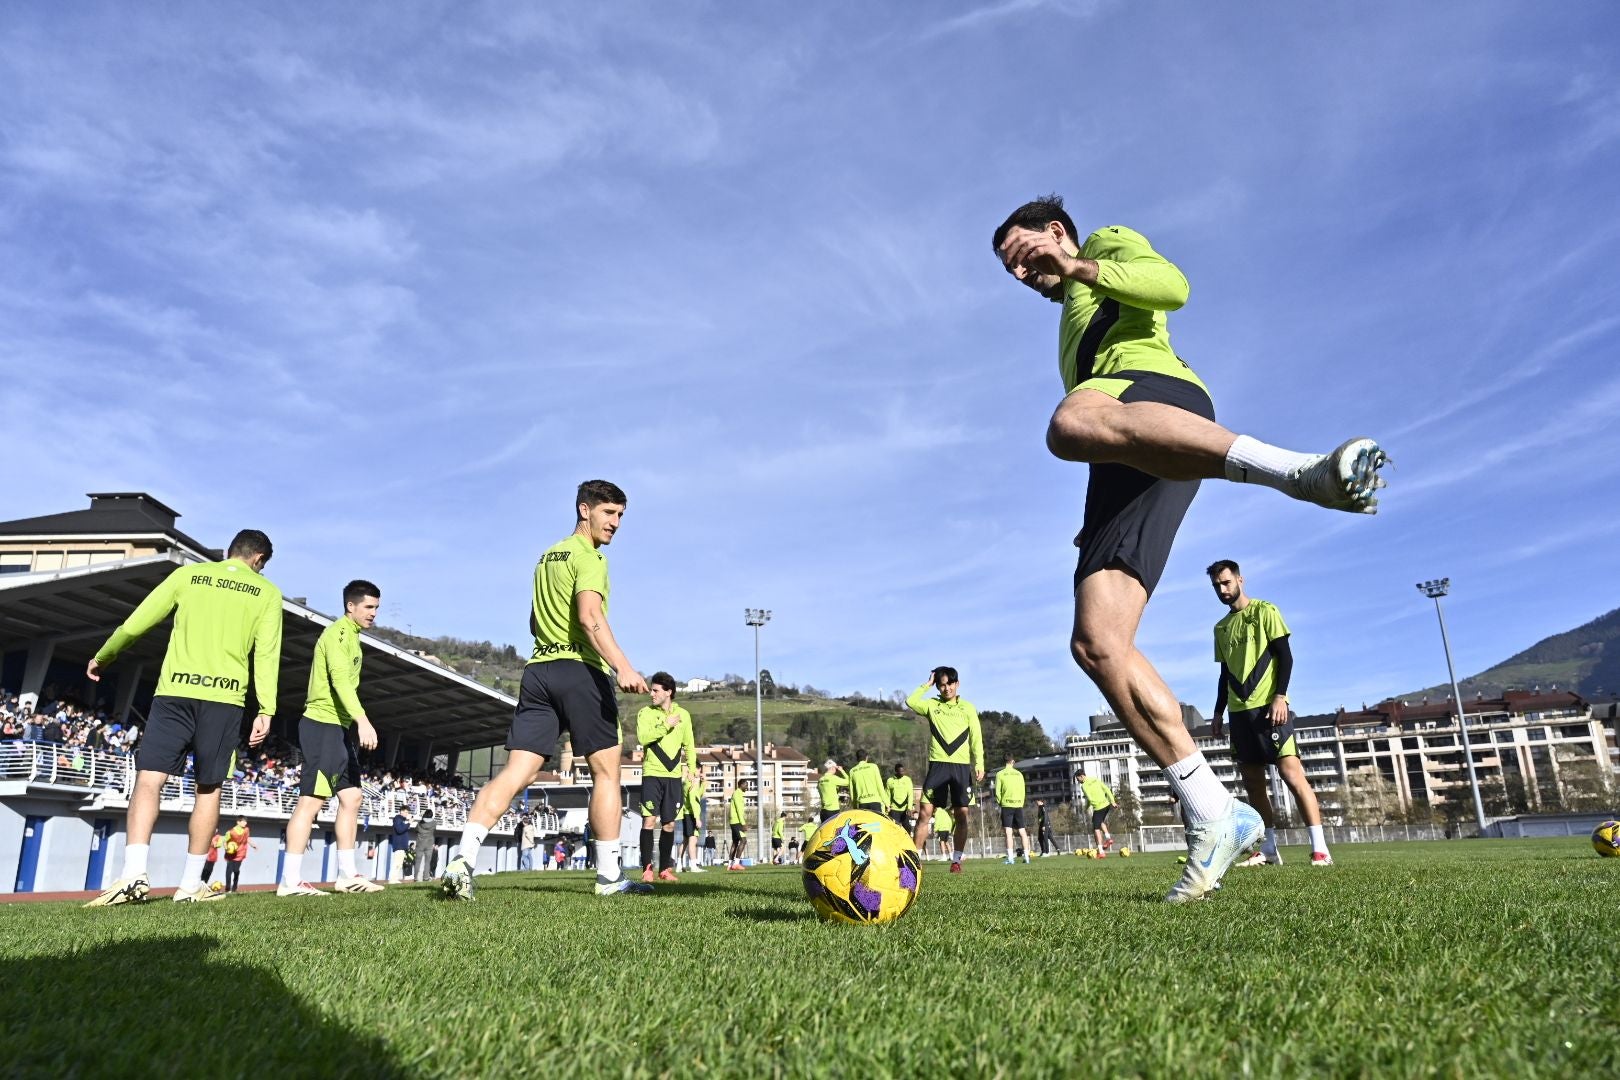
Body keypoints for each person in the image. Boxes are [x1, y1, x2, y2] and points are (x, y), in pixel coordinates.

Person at [993, 197, 1389, 901]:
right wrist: (1102, 511)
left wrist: (1080, 264)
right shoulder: (1066, 323)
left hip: (1161, 397)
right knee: (1097, 643)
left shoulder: (1107, 245)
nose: (1023, 274)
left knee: (1067, 419)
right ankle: (1213, 811)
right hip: (1122, 444)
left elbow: (1173, 287)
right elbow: (1105, 423)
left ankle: (1298, 472)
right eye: (1011, 271)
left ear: (1055, 231)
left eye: (1024, 254)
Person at [441, 480, 652, 900]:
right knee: (606, 772)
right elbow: (590, 616)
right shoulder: (589, 557)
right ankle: (609, 878)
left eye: (621, 516)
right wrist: (622, 665)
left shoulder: (546, 556)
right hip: (580, 672)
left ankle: (462, 860)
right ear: (584, 509)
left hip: (538, 672)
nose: (616, 523)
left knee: (516, 772)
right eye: (609, 513)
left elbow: (535, 623)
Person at [85, 529, 282, 907]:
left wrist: (104, 654)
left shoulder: (188, 575)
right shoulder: (266, 592)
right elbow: (267, 654)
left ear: (231, 552)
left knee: (148, 780)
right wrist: (267, 709)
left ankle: (133, 876)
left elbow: (136, 622)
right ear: (258, 559)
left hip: (174, 692)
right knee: (208, 788)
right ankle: (190, 884)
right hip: (224, 699)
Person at [1208, 560, 1334, 867]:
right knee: (1253, 783)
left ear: (1240, 579)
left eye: (1226, 583)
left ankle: (1320, 850)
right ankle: (1267, 850)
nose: (1222, 590)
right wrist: (1217, 713)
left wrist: (1280, 696)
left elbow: (1285, 657)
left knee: (1292, 775)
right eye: (1216, 586)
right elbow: (1225, 675)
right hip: (1240, 714)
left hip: (1270, 708)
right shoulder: (1221, 628)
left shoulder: (1266, 611)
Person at [279, 580, 386, 897]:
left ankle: (347, 874)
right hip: (322, 724)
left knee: (353, 798)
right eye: (368, 607)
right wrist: (363, 720)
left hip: (338, 728)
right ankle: (290, 881)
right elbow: (340, 682)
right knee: (310, 801)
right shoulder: (337, 635)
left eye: (377, 608)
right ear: (350, 606)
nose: (374, 614)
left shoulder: (353, 637)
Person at [907, 667, 984, 874]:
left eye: (950, 683)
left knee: (961, 815)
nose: (946, 688)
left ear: (957, 684)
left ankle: (956, 860)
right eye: (942, 684)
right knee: (925, 812)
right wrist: (927, 684)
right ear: (938, 686)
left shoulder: (968, 708)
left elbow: (976, 737)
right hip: (938, 765)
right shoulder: (932, 705)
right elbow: (911, 701)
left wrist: (979, 763)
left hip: (961, 767)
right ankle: (914, 860)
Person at [636, 671, 696, 884]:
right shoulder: (645, 713)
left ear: (668, 692)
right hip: (652, 774)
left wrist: (691, 768)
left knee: (669, 824)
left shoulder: (684, 715)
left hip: (674, 777)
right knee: (649, 820)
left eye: (655, 690)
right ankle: (646, 869)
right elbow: (643, 737)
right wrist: (666, 725)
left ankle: (665, 869)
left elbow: (689, 744)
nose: (651, 694)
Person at [994, 755, 1032, 864]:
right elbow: (1023, 790)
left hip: (1006, 805)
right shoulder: (1019, 774)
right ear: (1013, 761)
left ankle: (1010, 858)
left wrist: (1000, 802)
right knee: (1022, 831)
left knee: (1008, 832)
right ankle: (1027, 857)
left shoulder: (1000, 774)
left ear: (1004, 762)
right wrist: (1021, 802)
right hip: (1018, 804)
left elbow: (997, 792)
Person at [1078, 770, 1117, 857]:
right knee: (1100, 822)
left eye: (1078, 779)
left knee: (1096, 829)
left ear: (1081, 776)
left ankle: (1101, 851)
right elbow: (1106, 789)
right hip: (1106, 804)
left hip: (1098, 807)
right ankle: (1108, 838)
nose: (1078, 781)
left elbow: (1089, 798)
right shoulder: (1095, 779)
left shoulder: (1084, 786)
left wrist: (1090, 806)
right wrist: (1112, 801)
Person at [679, 776, 705, 873]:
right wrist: (697, 818)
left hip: (687, 813)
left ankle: (679, 864)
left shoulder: (688, 782)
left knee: (685, 841)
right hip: (691, 814)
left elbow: (699, 795)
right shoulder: (691, 784)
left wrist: (702, 783)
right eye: (699, 770)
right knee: (692, 840)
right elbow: (694, 801)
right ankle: (693, 866)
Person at [222, 817, 255, 893]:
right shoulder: (230, 832)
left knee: (236, 870)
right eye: (244, 821)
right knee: (229, 871)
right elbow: (224, 841)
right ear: (238, 822)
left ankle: (234, 887)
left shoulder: (246, 829)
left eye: (246, 821)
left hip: (240, 853)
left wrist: (253, 845)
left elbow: (247, 838)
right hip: (231, 854)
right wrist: (227, 849)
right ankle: (227, 888)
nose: (246, 823)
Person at [884, 763, 915, 830]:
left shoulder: (907, 780)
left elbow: (910, 795)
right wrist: (887, 806)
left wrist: (909, 808)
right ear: (896, 771)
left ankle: (907, 840)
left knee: (907, 827)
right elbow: (887, 795)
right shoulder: (890, 781)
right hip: (894, 809)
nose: (902, 773)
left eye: (903, 771)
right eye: (900, 771)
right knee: (894, 828)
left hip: (905, 810)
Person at [725, 784, 747, 871]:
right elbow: (738, 809)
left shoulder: (737, 794)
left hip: (734, 821)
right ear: (741, 785)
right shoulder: (737, 794)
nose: (747, 787)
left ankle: (730, 865)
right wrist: (743, 823)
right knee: (743, 840)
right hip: (737, 821)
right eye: (746, 785)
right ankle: (736, 863)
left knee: (735, 842)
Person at [413, 808, 437, 882]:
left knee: (418, 861)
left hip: (420, 844)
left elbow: (415, 830)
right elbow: (434, 829)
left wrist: (422, 819)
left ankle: (416, 878)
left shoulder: (420, 823)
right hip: (429, 843)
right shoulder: (434, 823)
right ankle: (426, 877)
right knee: (427, 862)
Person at [389, 809, 411, 883]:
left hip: (401, 845)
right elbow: (399, 830)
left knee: (399, 863)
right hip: (399, 845)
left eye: (407, 812)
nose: (407, 814)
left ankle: (394, 879)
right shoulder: (398, 819)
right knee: (397, 863)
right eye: (406, 812)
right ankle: (392, 879)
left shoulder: (401, 820)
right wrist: (408, 824)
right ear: (401, 811)